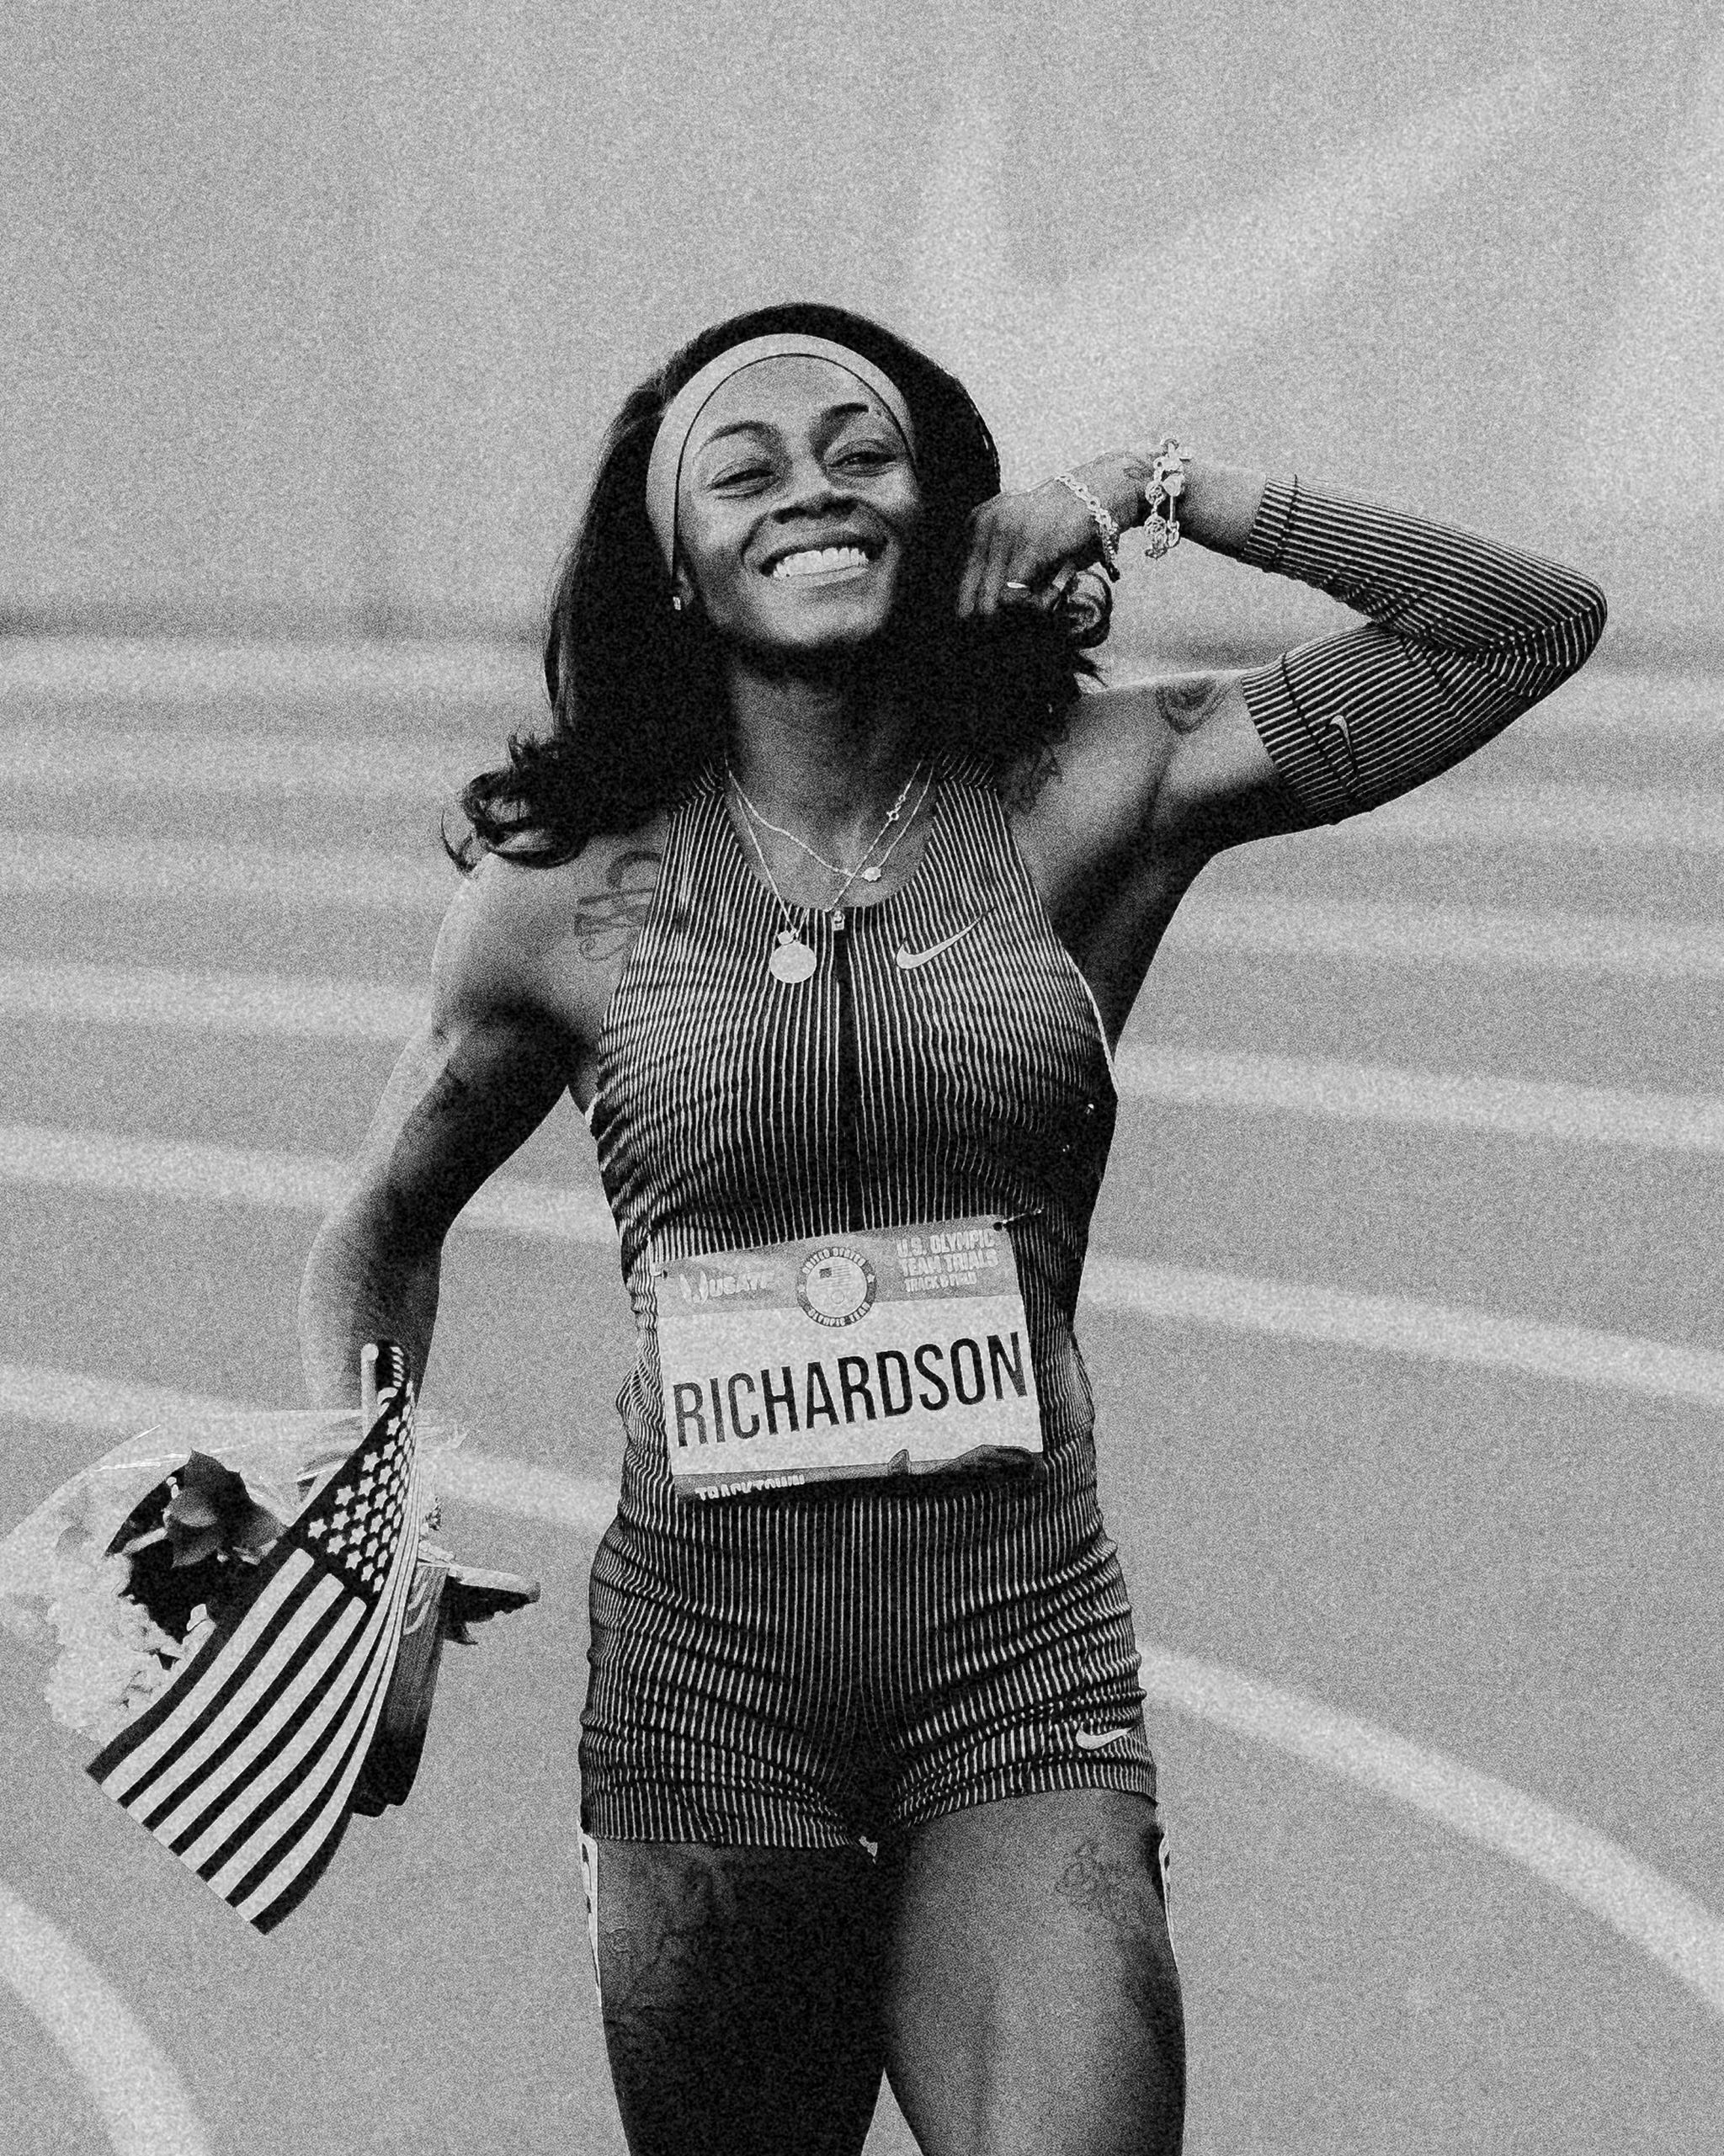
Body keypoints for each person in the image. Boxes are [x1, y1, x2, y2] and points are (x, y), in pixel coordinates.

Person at [297, 301, 1605, 2155]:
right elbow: (377, 1227)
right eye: (741, 472)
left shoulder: (1099, 791)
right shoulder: (560, 899)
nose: (810, 491)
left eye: (862, 451)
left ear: (946, 515)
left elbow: (1521, 626)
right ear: (670, 569)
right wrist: (369, 1546)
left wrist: (1163, 488)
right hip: (705, 1701)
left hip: (1017, 1674)